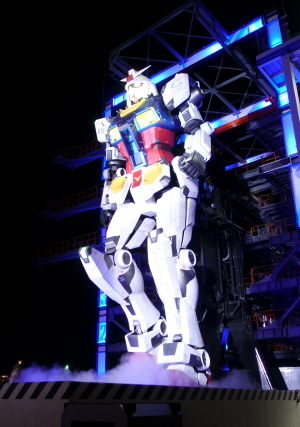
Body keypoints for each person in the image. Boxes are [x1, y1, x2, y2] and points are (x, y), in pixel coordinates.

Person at [79, 66, 213, 386]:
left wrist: (196, 156)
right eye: (128, 87)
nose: (132, 89)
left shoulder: (166, 99)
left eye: (137, 84)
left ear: (148, 85)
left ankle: (187, 346)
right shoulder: (114, 123)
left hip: (169, 179)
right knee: (109, 258)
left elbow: (195, 124)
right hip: (131, 189)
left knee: (165, 254)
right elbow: (112, 167)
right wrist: (108, 204)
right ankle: (150, 328)